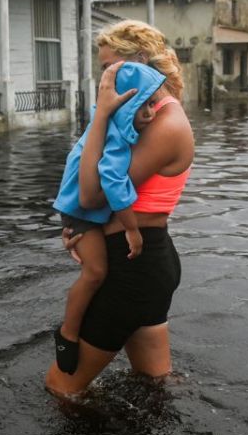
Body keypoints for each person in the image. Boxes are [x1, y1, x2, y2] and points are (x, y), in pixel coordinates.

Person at [45, 20, 194, 396]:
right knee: (154, 384)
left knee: (61, 389)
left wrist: (99, 117)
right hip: (139, 263)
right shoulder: (141, 115)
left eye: (109, 68)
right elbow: (94, 200)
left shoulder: (166, 122)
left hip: (134, 269)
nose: (104, 81)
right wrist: (83, 230)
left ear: (139, 61)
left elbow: (93, 194)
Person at [51, 61, 168, 375]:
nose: (151, 113)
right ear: (123, 105)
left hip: (80, 211)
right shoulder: (115, 138)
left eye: (153, 104)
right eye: (141, 106)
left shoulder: (110, 125)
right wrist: (132, 229)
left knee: (96, 273)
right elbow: (112, 182)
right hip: (81, 212)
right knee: (95, 272)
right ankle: (68, 334)